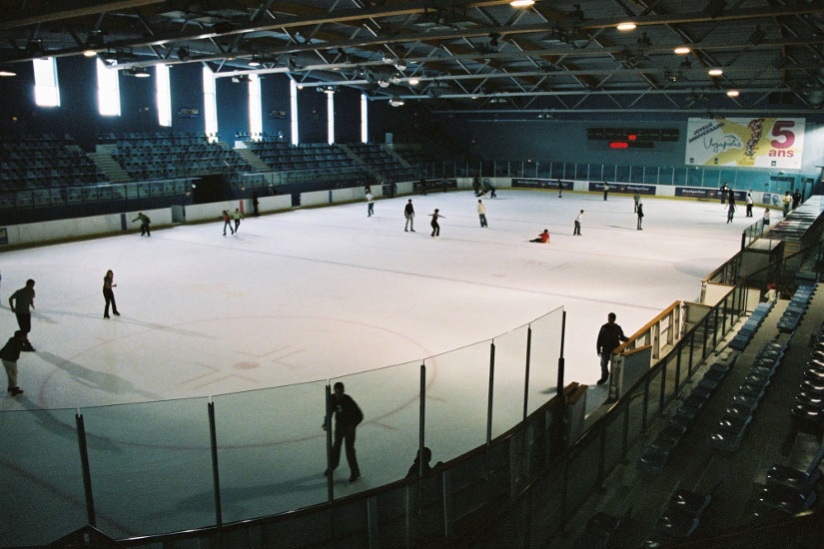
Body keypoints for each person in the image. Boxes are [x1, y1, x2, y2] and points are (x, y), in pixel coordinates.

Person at [323, 382, 363, 482]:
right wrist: (326, 422)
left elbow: (359, 415)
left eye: (340, 392)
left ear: (343, 391)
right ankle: (333, 465)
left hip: (349, 427)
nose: (338, 394)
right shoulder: (332, 398)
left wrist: (352, 426)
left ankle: (355, 472)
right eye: (337, 392)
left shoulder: (348, 400)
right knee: (336, 446)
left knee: (349, 450)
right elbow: (330, 411)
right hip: (340, 426)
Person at [596, 312, 629, 385]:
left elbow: (621, 337)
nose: (609, 320)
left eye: (610, 319)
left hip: (615, 350)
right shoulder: (604, 327)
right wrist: (598, 349)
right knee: (603, 364)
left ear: (614, 319)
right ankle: (604, 377)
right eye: (608, 319)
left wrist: (627, 339)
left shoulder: (617, 328)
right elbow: (599, 338)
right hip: (605, 350)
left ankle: (615, 379)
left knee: (615, 365)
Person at [1, 330, 33, 396]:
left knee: (11, 374)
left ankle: (11, 387)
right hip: (10, 360)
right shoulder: (17, 342)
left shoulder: (12, 340)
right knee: (13, 374)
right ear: (21, 337)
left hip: (5, 359)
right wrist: (26, 342)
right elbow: (26, 349)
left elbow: (4, 348)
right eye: (24, 336)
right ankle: (13, 389)